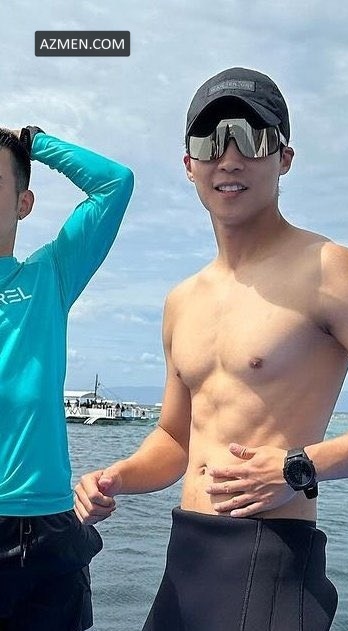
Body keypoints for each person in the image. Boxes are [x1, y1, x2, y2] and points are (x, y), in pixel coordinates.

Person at [74, 67, 348, 631]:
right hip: (185, 562)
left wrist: (300, 467)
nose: (229, 158)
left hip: (272, 559)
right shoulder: (182, 300)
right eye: (210, 141)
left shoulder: (329, 270)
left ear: (284, 157)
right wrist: (116, 476)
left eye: (250, 137)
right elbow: (176, 439)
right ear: (189, 164)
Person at [0, 126, 134, 630]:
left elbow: (114, 184)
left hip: (51, 534)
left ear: (24, 203)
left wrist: (36, 143)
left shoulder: (48, 276)